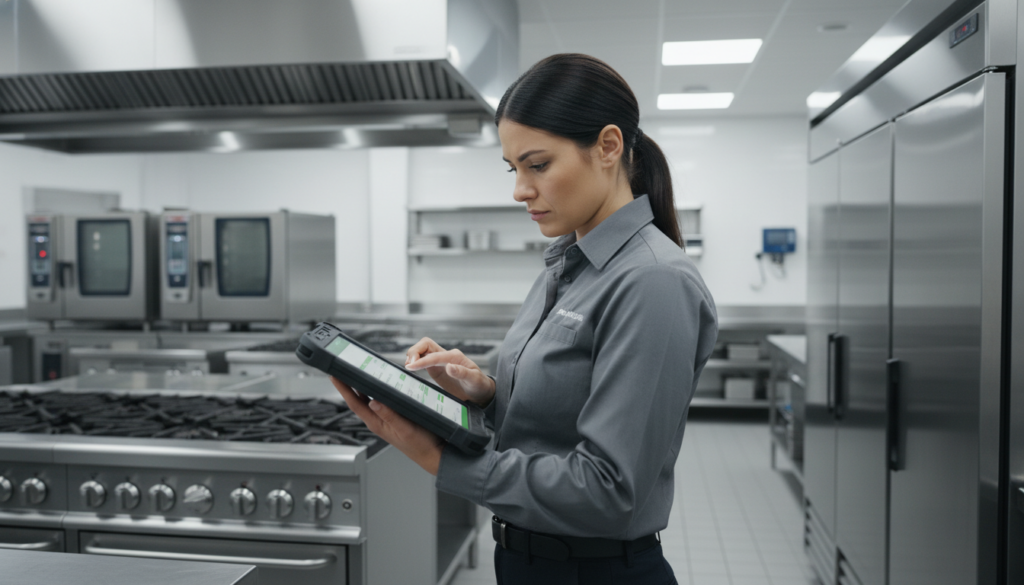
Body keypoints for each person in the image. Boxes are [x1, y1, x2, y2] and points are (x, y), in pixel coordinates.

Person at [332, 53, 718, 585]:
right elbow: (558, 418)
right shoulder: (567, 265)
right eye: (514, 169)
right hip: (529, 562)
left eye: (538, 165)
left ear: (608, 147)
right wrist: (485, 392)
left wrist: (441, 459)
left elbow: (608, 491)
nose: (520, 190)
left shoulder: (653, 281)